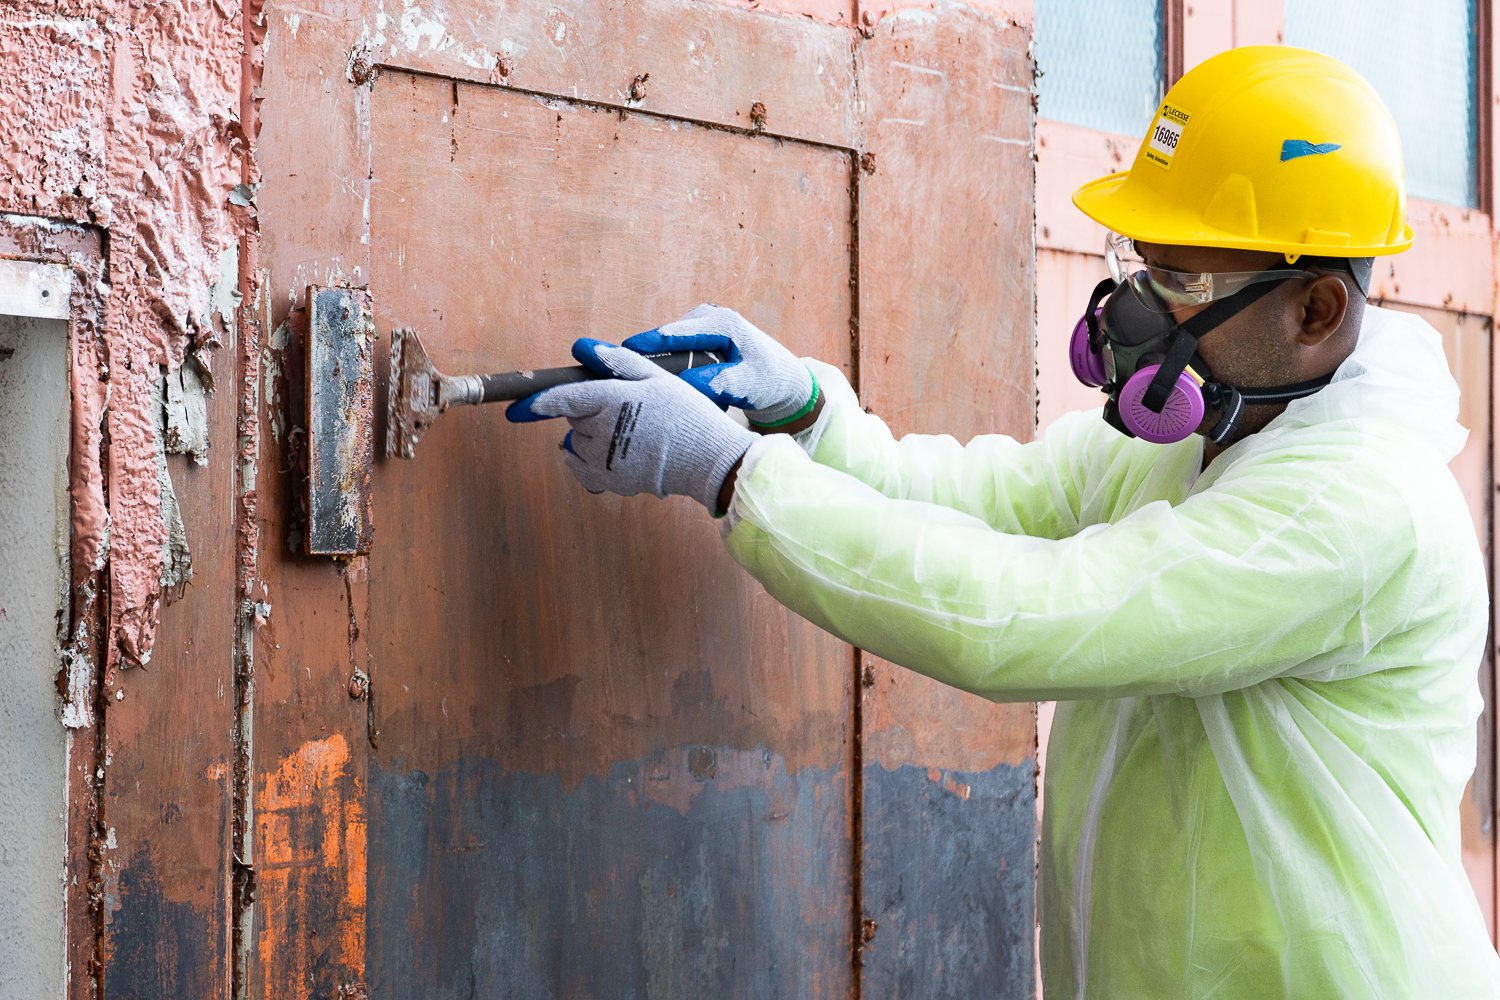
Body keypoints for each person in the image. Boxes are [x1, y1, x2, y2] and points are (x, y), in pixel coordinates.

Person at [508, 46, 1500, 998]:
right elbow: (987, 502)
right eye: (1143, 265)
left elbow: (1028, 614)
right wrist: (807, 415)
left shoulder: (1359, 507)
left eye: (1184, 283)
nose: (1138, 311)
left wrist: (731, 473)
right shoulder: (1193, 436)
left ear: (1318, 311)